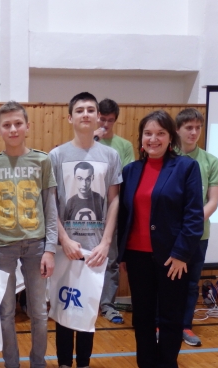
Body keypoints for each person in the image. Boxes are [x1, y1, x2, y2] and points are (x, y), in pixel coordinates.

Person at [118, 110, 203, 368]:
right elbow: (124, 215)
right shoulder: (131, 171)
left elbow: (194, 216)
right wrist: (123, 254)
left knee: (170, 318)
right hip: (137, 256)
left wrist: (181, 254)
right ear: (141, 138)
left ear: (170, 138)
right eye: (148, 134)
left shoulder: (186, 167)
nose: (153, 139)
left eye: (160, 134)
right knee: (142, 317)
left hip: (172, 259)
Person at [0, 101, 57, 368]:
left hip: (36, 245)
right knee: (6, 311)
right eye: (6, 125)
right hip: (2, 247)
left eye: (17, 123)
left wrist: (50, 249)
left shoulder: (42, 161)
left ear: (27, 126)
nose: (12, 129)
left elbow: (51, 208)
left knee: (38, 311)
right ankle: (11, 367)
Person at [50, 92, 121, 368]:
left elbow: (114, 200)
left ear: (97, 117)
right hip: (65, 247)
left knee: (89, 307)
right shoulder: (56, 156)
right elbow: (50, 202)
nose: (86, 114)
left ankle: (84, 365)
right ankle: (63, 365)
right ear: (70, 117)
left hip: (96, 248)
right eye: (79, 110)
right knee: (65, 307)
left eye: (91, 110)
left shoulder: (110, 156)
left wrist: (106, 243)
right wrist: (63, 239)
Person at [175, 108, 218, 347]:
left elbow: (212, 201)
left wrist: (191, 224)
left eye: (198, 128)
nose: (194, 132)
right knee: (164, 282)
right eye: (189, 128)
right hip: (170, 234)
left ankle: (185, 326)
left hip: (198, 234)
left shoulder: (210, 161)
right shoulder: (168, 157)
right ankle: (161, 325)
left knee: (191, 283)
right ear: (178, 130)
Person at [95, 98, 136, 324]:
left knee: (110, 260)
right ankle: (86, 302)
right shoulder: (88, 142)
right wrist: (94, 139)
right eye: (102, 119)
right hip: (88, 211)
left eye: (110, 120)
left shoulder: (123, 146)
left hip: (113, 208)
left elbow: (127, 178)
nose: (105, 124)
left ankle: (108, 305)